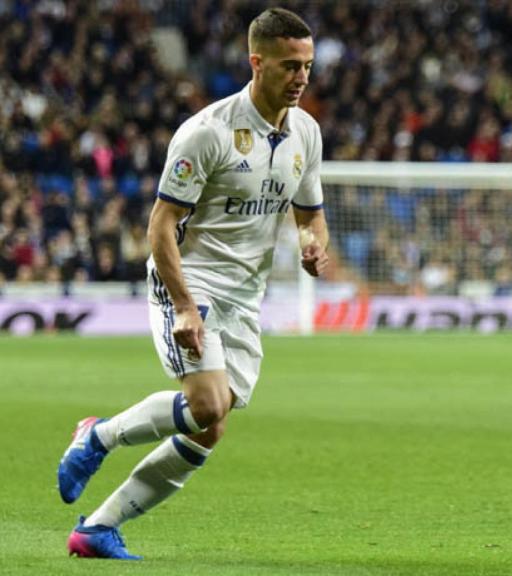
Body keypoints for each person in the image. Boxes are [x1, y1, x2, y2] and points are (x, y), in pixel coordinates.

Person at [56, 8, 329, 559]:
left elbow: (310, 212)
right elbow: (158, 226)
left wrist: (311, 241)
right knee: (205, 405)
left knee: (210, 428)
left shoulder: (306, 132)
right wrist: (184, 305)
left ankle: (96, 530)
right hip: (189, 278)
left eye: (307, 66)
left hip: (244, 296)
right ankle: (99, 436)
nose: (301, 77)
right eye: (288, 66)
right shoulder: (208, 133)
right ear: (256, 63)